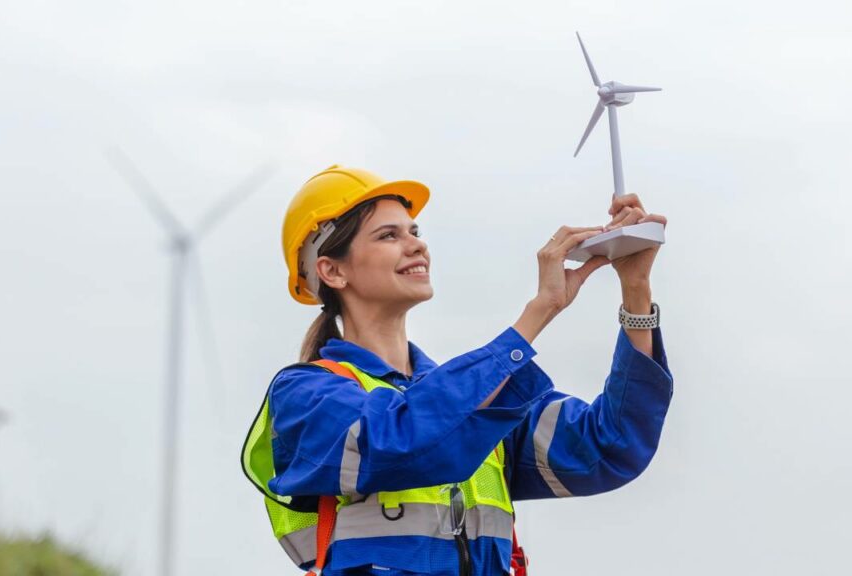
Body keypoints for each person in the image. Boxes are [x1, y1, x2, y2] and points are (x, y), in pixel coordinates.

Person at [264, 165, 673, 575]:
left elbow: (612, 444)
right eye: (389, 235)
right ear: (332, 270)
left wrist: (635, 290)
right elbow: (405, 442)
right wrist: (537, 313)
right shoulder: (305, 395)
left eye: (415, 232)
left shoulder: (475, 400)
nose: (416, 246)